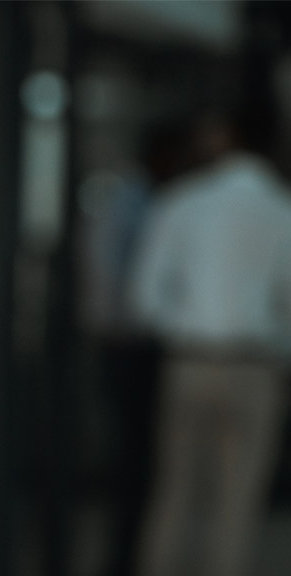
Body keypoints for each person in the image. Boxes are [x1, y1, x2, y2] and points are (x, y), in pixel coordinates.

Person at [128, 112, 291, 576]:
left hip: (190, 362)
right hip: (254, 366)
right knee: (236, 504)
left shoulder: (182, 202)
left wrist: (192, 326)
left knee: (174, 494)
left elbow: (144, 298)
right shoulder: (281, 209)